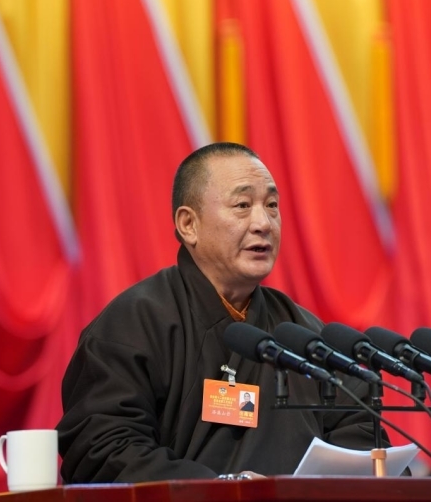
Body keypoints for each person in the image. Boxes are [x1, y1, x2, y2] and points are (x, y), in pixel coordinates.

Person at [56, 142, 383, 483]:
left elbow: (363, 438)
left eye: (272, 205)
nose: (264, 223)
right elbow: (104, 449)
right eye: (243, 205)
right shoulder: (134, 323)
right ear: (189, 224)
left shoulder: (303, 336)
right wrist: (226, 490)